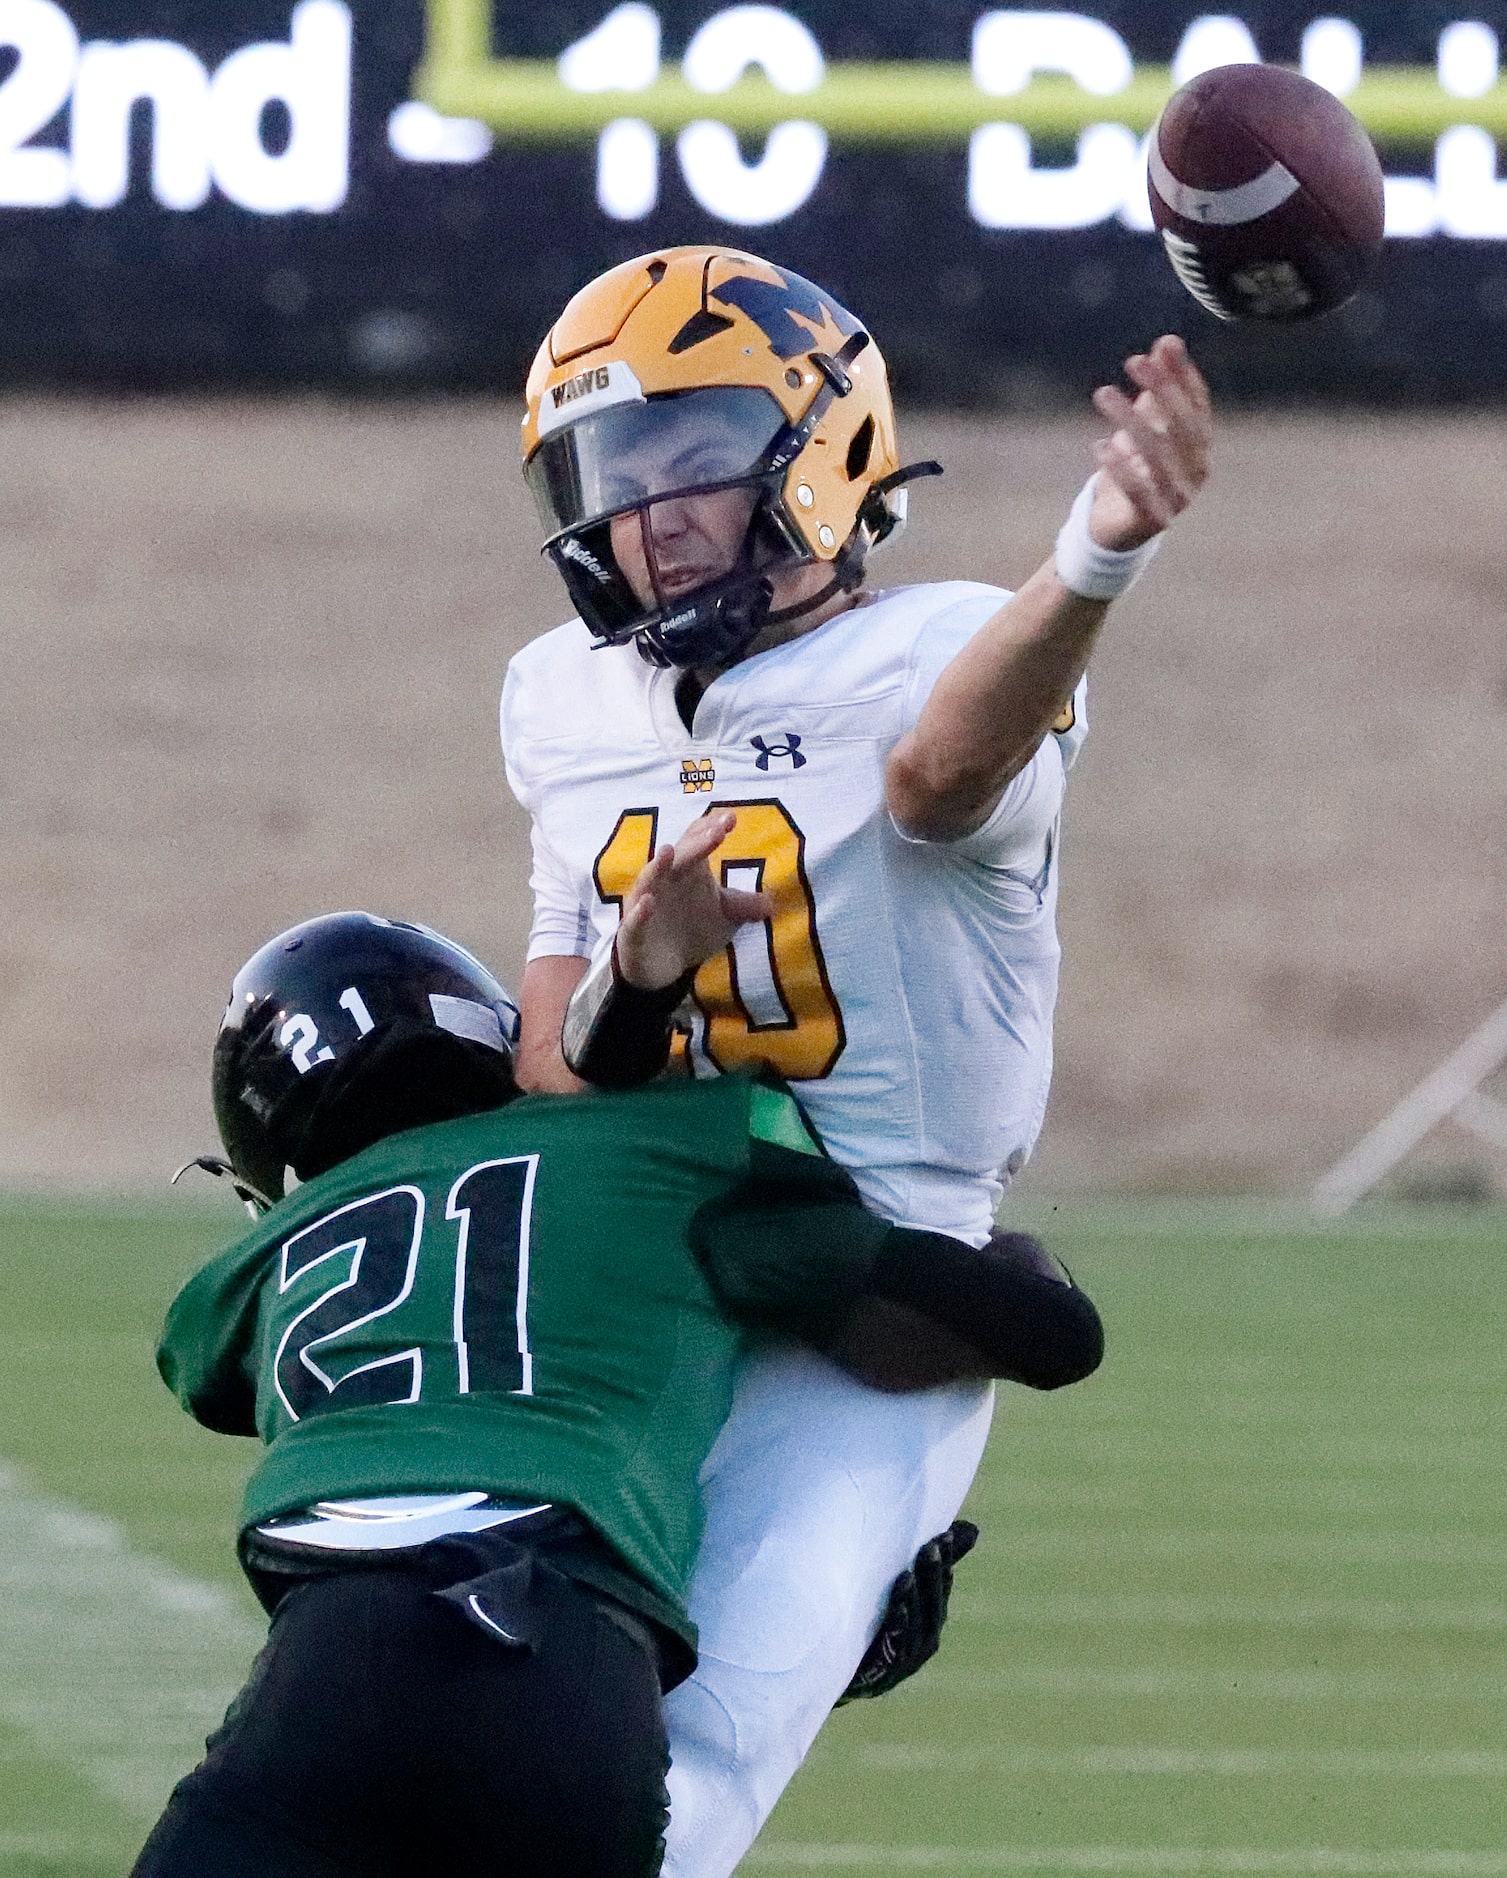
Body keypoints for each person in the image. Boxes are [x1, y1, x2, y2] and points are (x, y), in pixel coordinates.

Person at [501, 245, 1211, 1874]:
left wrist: (1093, 556)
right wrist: (629, 982)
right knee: (477, 1713)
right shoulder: (560, 698)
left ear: (816, 449)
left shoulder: (939, 653)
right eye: (611, 479)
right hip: (640, 1278)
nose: (647, 513)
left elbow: (937, 776)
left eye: (688, 461)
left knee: (674, 1794)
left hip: (871, 1302)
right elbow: (558, 1064)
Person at [134, 884, 1102, 1878]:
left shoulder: (250, 1276)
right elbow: (1041, 1336)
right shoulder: (661, 1146)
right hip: (574, 1671)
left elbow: (206, 1365)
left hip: (331, 1673)